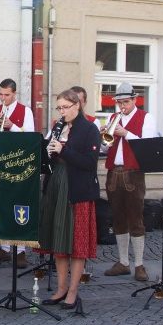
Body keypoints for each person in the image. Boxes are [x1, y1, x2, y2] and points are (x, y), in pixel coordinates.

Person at [38, 89, 101, 310]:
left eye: (65, 107)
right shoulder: (58, 128)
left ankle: (73, 291)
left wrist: (63, 150)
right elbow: (46, 157)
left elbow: (90, 162)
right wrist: (47, 151)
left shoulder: (89, 129)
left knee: (76, 242)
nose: (62, 112)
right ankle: (61, 287)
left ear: (77, 106)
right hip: (56, 184)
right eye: (59, 108)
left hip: (77, 189)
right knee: (59, 240)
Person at [101, 82, 155, 282]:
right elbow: (106, 149)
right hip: (114, 172)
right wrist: (105, 138)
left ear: (134, 100)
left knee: (136, 217)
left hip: (134, 173)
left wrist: (125, 134)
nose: (122, 106)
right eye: (119, 103)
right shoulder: (113, 118)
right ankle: (123, 262)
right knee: (118, 218)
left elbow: (147, 146)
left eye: (125, 102)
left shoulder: (146, 118)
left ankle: (139, 264)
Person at [0, 78, 35, 268]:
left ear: (14, 94)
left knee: (19, 204)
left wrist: (11, 126)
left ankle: (20, 250)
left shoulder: (26, 111)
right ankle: (5, 248)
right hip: (1, 164)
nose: (3, 98)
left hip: (20, 164)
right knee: (2, 204)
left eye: (7, 95)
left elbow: (31, 137)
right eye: (1, 94)